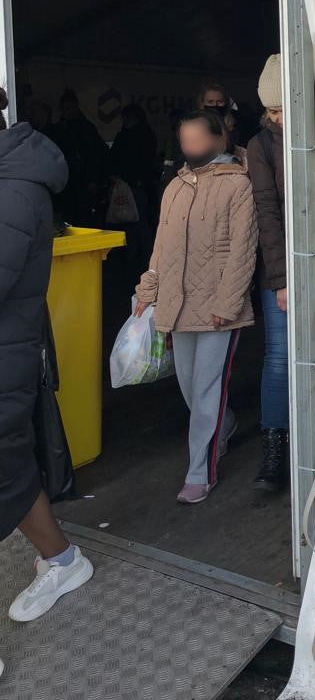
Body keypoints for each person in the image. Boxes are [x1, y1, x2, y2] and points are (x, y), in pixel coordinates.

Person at [0, 87, 94, 640]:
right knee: (10, 469)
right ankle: (62, 562)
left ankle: (63, 563)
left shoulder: (16, 189)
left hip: (6, 359)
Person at [135, 110, 257, 504]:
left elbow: (243, 250)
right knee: (191, 387)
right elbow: (161, 246)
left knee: (206, 391)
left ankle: (199, 472)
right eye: (184, 140)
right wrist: (147, 290)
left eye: (197, 140)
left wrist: (228, 301)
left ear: (218, 140)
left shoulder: (238, 185)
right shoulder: (175, 187)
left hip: (220, 307)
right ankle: (226, 425)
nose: (189, 148)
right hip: (177, 303)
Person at [247, 54, 290, 492]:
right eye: (271, 111)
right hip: (280, 270)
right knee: (278, 358)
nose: (277, 117)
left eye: (283, 109)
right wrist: (280, 280)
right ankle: (275, 452)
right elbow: (267, 212)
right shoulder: (260, 146)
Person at [109, 104, 159, 271]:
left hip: (136, 186)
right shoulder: (139, 135)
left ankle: (141, 258)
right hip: (131, 185)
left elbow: (143, 161)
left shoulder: (137, 136)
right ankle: (136, 258)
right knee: (133, 223)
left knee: (137, 223)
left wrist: (137, 180)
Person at [53, 89, 110, 226]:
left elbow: (95, 155)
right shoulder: (59, 129)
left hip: (83, 183)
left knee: (84, 219)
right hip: (66, 184)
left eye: (71, 108)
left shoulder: (86, 128)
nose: (68, 112)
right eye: (66, 108)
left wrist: (93, 179)